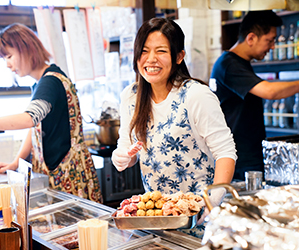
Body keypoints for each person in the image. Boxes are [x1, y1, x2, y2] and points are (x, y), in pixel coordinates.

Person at [111, 17, 237, 237]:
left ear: (179, 56)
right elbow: (126, 147)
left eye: (161, 51)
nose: (151, 59)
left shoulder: (196, 95)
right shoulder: (130, 96)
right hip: (157, 220)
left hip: (201, 218)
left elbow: (225, 152)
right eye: (144, 51)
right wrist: (122, 157)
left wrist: (211, 203)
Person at [0, 23, 102, 203]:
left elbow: (29, 119)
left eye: (9, 56)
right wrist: (16, 161)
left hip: (68, 174)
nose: (8, 65)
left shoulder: (50, 82)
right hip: (60, 171)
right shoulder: (42, 82)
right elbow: (36, 129)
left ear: (27, 49)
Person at [210, 10, 299, 181]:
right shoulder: (229, 64)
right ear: (251, 38)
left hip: (246, 152)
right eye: (270, 40)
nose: (272, 46)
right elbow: (270, 91)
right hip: (240, 156)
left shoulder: (235, 63)